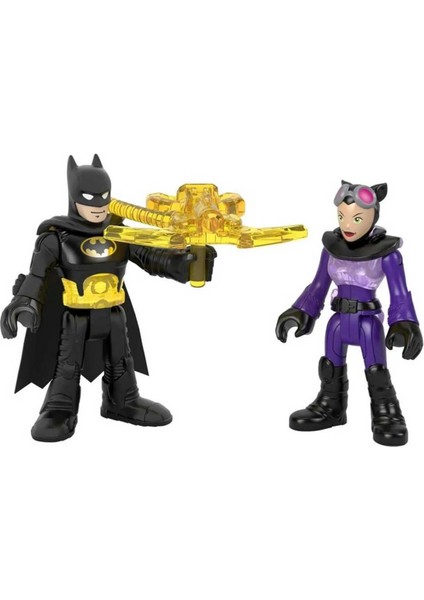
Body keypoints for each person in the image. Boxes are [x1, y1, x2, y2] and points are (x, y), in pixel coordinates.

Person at [1, 155, 216, 442]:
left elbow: (151, 257)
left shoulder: (119, 233)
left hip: (114, 310)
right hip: (75, 315)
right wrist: (24, 302)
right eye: (90, 198)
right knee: (67, 365)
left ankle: (122, 399)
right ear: (74, 197)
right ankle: (60, 407)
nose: (98, 205)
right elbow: (37, 275)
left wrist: (186, 263)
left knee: (121, 358)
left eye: (104, 197)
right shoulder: (57, 237)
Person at [276, 181, 422, 446]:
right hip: (338, 321)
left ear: (373, 216)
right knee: (330, 367)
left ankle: (386, 412)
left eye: (357, 218)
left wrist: (404, 322)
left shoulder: (387, 254)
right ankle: (330, 406)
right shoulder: (331, 249)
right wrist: (301, 310)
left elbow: (399, 293)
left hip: (368, 323)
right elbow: (318, 285)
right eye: (341, 216)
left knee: (377, 371)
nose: (347, 225)